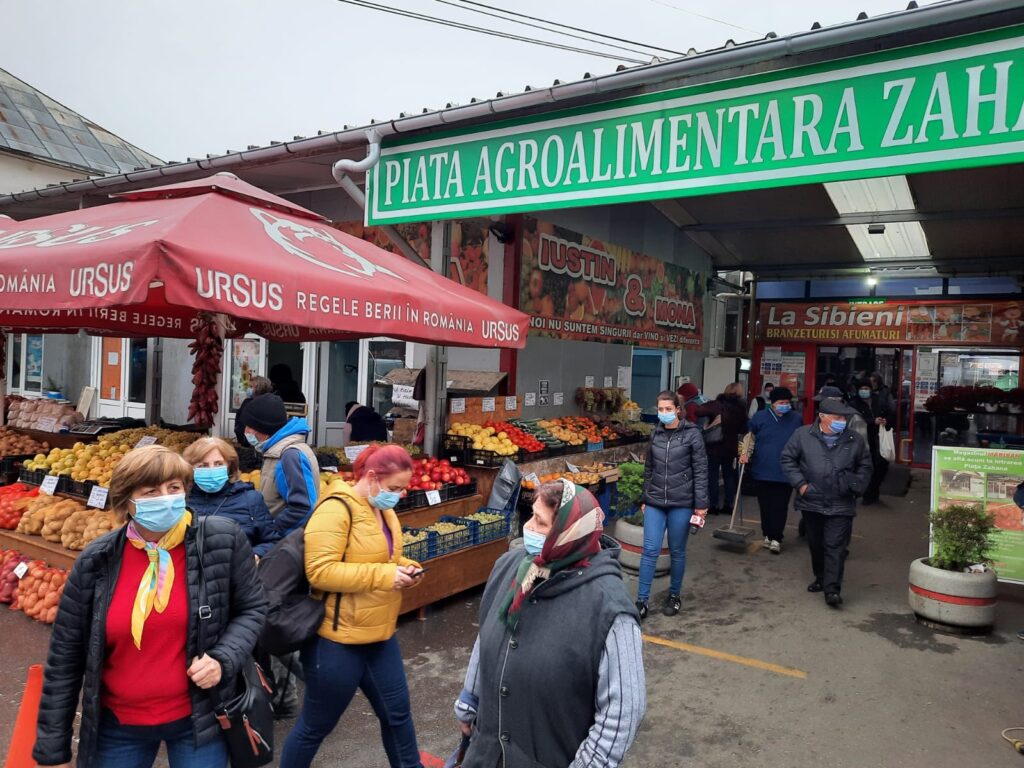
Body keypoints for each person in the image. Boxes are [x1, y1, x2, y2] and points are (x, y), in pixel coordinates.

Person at [33, 445, 266, 768]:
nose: (166, 498)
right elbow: (65, 655)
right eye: (150, 491)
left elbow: (253, 608)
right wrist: (52, 748)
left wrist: (223, 658)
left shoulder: (222, 540)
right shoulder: (97, 560)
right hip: (119, 725)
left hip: (199, 720)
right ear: (126, 500)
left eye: (174, 487)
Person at [453, 480, 645, 768]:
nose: (527, 527)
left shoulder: (608, 608)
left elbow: (623, 712)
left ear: (569, 533)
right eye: (531, 516)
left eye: (540, 522)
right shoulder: (513, 568)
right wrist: (470, 700)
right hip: (486, 755)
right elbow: (487, 636)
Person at [280, 444, 426, 768]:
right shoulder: (335, 510)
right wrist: (385, 576)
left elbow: (381, 557)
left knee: (397, 715)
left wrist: (405, 567)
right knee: (315, 726)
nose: (399, 495)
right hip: (337, 640)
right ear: (372, 477)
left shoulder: (382, 509)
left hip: (380, 635)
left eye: (402, 489)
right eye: (394, 488)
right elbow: (320, 572)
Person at [781, 400, 872, 607]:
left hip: (841, 502)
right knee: (816, 543)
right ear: (822, 416)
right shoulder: (802, 435)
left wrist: (856, 485)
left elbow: (865, 466)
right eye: (838, 417)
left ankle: (832, 589)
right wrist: (801, 485)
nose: (842, 421)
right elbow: (787, 459)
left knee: (835, 546)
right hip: (812, 500)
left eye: (844, 418)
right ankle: (821, 577)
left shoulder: (854, 439)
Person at [636, 390, 709, 619]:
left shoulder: (692, 434)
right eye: (660, 409)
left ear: (678, 410)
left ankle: (674, 595)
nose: (664, 413)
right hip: (655, 501)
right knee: (650, 550)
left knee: (677, 551)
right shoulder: (655, 434)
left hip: (682, 502)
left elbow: (700, 471)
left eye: (668, 409)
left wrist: (701, 505)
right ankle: (641, 600)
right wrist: (645, 497)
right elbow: (649, 469)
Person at [182, 436, 282, 558]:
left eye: (218, 464)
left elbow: (272, 541)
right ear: (190, 468)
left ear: (229, 465)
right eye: (203, 465)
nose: (212, 470)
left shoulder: (251, 500)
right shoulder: (181, 501)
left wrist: (256, 555)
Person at [240, 393, 320, 535]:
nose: (245, 431)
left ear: (263, 428)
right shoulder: (278, 451)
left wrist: (272, 532)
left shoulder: (289, 455)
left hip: (284, 541)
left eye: (249, 426)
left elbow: (302, 507)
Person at [742, 386, 803, 554]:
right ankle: (767, 534)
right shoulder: (760, 417)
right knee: (765, 505)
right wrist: (744, 453)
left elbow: (801, 441)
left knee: (780, 506)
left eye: (787, 402)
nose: (785, 405)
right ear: (773, 403)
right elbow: (750, 437)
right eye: (781, 402)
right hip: (762, 469)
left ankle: (776, 537)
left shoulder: (796, 419)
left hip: (786, 471)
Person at [696, 382, 748, 516]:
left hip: (714, 445)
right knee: (729, 475)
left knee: (712, 476)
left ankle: (713, 504)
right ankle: (728, 504)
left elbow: (699, 411)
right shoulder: (741, 408)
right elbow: (744, 428)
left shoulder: (717, 404)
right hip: (730, 446)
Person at [850, 373, 897, 505]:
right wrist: (872, 421)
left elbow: (891, 414)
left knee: (881, 466)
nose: (864, 391)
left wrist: (885, 420)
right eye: (862, 389)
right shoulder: (853, 404)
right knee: (865, 467)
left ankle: (873, 492)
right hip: (863, 440)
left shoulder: (879, 401)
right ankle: (866, 494)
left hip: (879, 439)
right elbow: (853, 420)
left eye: (866, 388)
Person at [234, 375, 273, 446]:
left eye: (251, 387)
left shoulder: (255, 403)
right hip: (248, 441)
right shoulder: (248, 401)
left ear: (259, 388)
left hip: (254, 442)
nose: (248, 389)